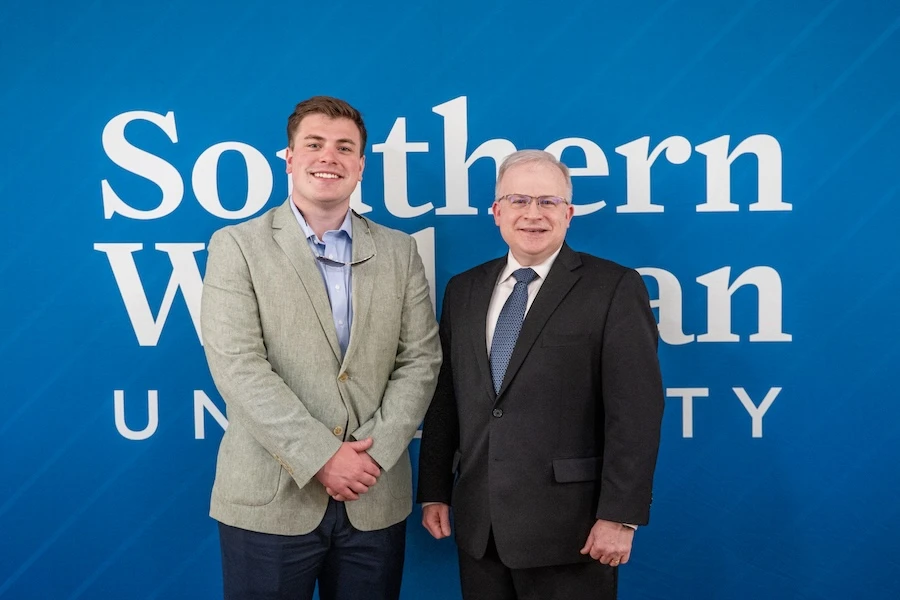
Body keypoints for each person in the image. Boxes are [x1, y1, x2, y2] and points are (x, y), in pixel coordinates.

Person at [201, 95, 441, 600]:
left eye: (344, 147)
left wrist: (366, 462)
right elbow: (238, 366)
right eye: (314, 144)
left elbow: (420, 360)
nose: (328, 157)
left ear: (360, 166)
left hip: (373, 498)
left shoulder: (400, 251)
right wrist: (322, 457)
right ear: (288, 157)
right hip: (269, 500)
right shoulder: (237, 245)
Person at [417, 150, 664, 600]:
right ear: (496, 212)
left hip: (574, 532)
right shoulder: (464, 289)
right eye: (518, 200)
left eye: (548, 202)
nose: (533, 214)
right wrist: (434, 488)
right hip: (481, 529)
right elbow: (447, 396)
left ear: (568, 213)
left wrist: (619, 516)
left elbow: (636, 413)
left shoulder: (613, 288)